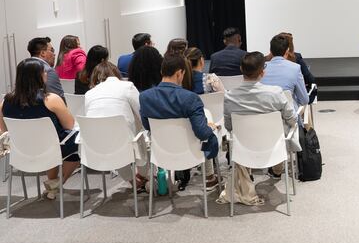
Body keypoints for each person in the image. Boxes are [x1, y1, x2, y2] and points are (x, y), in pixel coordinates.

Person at [218, 52, 297, 205]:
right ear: (263, 72)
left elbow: (228, 126)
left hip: (243, 150)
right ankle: (277, 168)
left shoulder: (230, 97)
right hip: (274, 148)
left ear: (241, 69)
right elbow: (292, 118)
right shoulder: (275, 93)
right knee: (287, 126)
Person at [0, 58, 79, 200]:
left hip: (21, 151)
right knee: (77, 142)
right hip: (52, 148)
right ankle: (57, 183)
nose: (47, 74)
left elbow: (4, 129)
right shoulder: (51, 99)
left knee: (52, 140)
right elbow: (70, 125)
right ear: (38, 76)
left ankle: (53, 183)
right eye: (44, 72)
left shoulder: (5, 102)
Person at [139, 54, 220, 191]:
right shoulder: (191, 98)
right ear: (179, 73)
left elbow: (147, 126)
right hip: (191, 154)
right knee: (209, 128)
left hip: (161, 154)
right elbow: (201, 133)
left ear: (161, 72)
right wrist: (211, 128)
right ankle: (210, 177)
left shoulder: (145, 97)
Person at [84, 62, 147, 190]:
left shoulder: (89, 94)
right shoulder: (127, 86)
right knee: (138, 131)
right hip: (124, 143)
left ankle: (132, 180)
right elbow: (142, 113)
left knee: (112, 132)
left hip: (95, 147)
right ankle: (144, 174)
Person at [261, 33, 309, 108]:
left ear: (270, 50)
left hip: (265, 116)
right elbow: (304, 100)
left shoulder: (261, 68)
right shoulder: (295, 68)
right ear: (287, 51)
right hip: (289, 117)